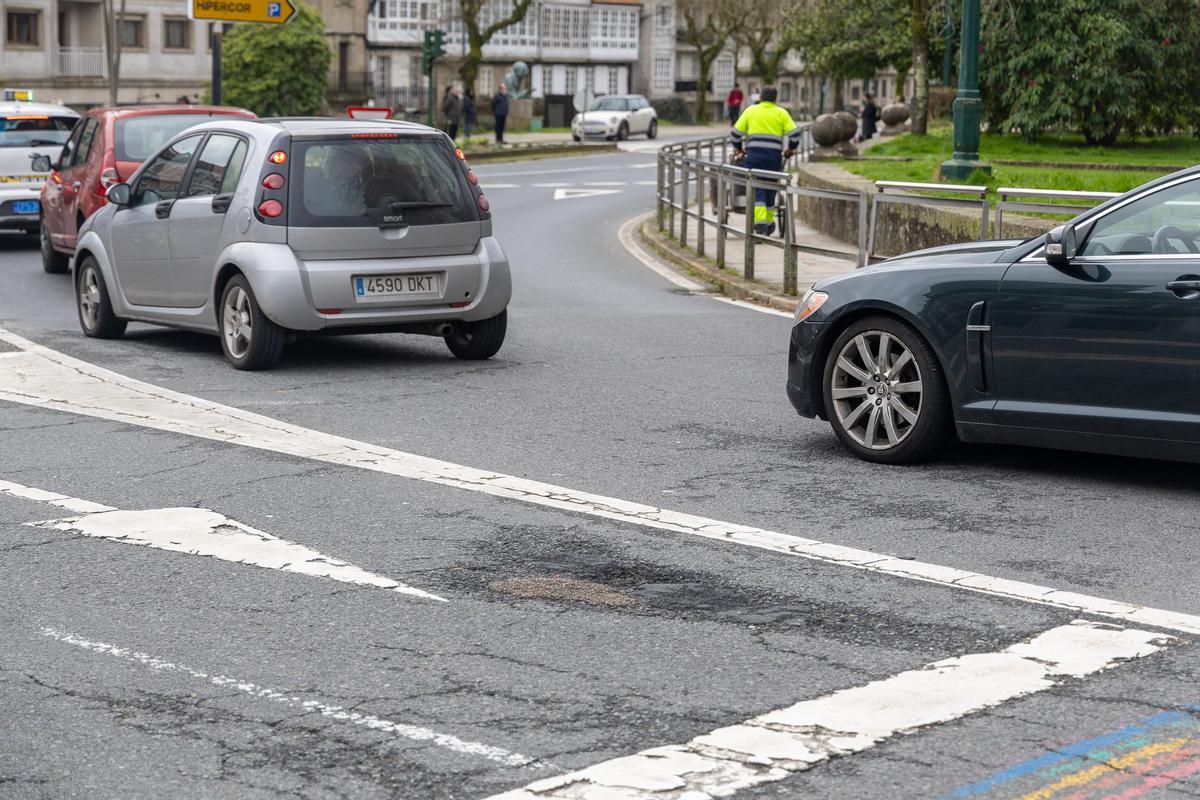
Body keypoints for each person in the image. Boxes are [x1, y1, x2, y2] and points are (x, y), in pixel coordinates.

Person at [729, 85, 800, 236]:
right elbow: (795, 135)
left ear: (761, 97)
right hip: (773, 158)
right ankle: (768, 223)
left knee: (757, 188)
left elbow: (735, 134)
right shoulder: (781, 113)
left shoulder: (750, 111)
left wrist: (739, 148)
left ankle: (760, 223)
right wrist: (790, 148)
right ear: (775, 99)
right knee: (771, 188)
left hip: (754, 158)